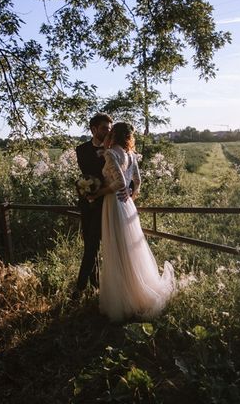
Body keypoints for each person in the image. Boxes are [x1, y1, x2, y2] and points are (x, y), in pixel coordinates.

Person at [91, 122, 175, 322]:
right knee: (129, 249)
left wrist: (98, 193)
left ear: (113, 134)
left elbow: (119, 182)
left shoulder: (111, 154)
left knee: (117, 248)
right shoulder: (131, 155)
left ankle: (124, 299)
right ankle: (134, 293)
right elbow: (136, 180)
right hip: (127, 205)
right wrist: (132, 194)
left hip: (113, 204)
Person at [74, 112, 113, 297]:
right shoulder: (81, 150)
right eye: (104, 128)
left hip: (105, 204)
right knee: (89, 243)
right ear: (94, 129)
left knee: (92, 246)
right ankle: (94, 285)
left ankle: (79, 288)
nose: (108, 131)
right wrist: (84, 189)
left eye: (109, 128)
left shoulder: (113, 150)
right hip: (86, 203)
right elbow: (86, 175)